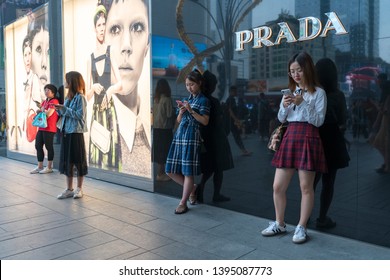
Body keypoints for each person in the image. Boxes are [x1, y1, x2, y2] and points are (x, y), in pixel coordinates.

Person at [261, 51, 327, 244]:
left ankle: (301, 227)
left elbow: (319, 121)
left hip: (309, 136)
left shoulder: (318, 92)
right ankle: (280, 223)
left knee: (306, 187)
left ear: (307, 69)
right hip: (290, 137)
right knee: (277, 186)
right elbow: (282, 118)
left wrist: (303, 103)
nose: (296, 74)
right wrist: (285, 105)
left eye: (299, 70)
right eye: (292, 71)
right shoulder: (290, 92)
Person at [103, 0, 151, 176]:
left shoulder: (149, 128)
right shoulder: (98, 128)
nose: (126, 46)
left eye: (137, 28)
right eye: (115, 29)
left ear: (147, 45)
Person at [165, 70, 210, 214]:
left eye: (192, 84)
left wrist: (191, 111)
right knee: (170, 170)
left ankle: (183, 202)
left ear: (199, 83)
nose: (189, 87)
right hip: (180, 135)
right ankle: (193, 188)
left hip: (191, 136)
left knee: (187, 172)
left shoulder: (204, 100)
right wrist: (181, 112)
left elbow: (205, 121)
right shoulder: (187, 99)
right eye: (187, 85)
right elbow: (178, 121)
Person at [313, 58, 350, 229]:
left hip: (314, 139)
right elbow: (343, 120)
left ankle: (303, 217)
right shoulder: (338, 95)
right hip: (332, 140)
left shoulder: (311, 94)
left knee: (311, 182)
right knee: (329, 182)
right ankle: (322, 218)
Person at [86, 2, 122, 170]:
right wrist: (92, 87)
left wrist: (110, 90)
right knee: (97, 156)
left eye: (103, 24)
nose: (101, 28)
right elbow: (86, 95)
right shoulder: (90, 58)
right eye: (98, 25)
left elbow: (121, 83)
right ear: (94, 28)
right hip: (96, 112)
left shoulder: (111, 51)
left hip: (109, 112)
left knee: (111, 156)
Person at [195, 70, 234, 203]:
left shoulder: (198, 99)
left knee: (209, 168)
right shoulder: (213, 101)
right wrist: (223, 112)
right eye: (214, 84)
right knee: (218, 168)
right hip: (216, 139)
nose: (215, 86)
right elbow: (218, 122)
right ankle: (215, 194)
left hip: (205, 138)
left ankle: (200, 189)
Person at [56, 71, 88, 199]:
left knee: (78, 161)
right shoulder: (69, 98)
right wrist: (60, 110)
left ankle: (79, 189)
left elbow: (80, 115)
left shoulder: (81, 98)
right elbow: (66, 114)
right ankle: (69, 189)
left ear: (72, 82)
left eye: (66, 80)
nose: (64, 83)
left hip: (76, 133)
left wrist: (64, 109)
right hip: (66, 132)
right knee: (67, 161)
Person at [30, 84, 59, 174]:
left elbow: (48, 114)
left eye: (48, 90)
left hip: (50, 128)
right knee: (38, 146)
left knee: (48, 147)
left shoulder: (54, 101)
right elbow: (43, 112)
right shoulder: (45, 101)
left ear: (53, 92)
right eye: (45, 90)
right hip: (42, 127)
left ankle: (49, 167)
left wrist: (41, 110)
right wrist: (40, 110)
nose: (46, 92)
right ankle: (40, 166)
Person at [152, 78, 174, 182]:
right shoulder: (167, 99)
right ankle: (160, 174)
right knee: (165, 151)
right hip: (165, 129)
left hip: (156, 128)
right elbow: (169, 114)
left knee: (160, 151)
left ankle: (161, 173)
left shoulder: (155, 99)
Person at [225, 86, 252, 156]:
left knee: (236, 136)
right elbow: (230, 111)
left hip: (230, 121)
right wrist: (236, 120)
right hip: (231, 121)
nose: (237, 93)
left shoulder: (231, 99)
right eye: (235, 91)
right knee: (236, 136)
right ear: (231, 91)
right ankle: (244, 151)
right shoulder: (230, 99)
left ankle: (244, 150)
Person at [372, 74, 390, 174]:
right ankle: (386, 164)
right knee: (381, 143)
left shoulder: (387, 97)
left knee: (382, 143)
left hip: (386, 123)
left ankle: (387, 165)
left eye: (378, 80)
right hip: (384, 123)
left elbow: (384, 110)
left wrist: (374, 104)